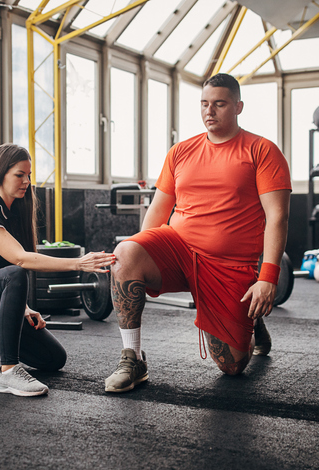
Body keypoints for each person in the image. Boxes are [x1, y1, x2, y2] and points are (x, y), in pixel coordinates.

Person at [105, 73, 291, 393]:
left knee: (231, 366)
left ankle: (250, 317)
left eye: (219, 104)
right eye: (204, 104)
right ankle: (132, 357)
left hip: (227, 264)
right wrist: (139, 253)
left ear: (238, 107)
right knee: (125, 252)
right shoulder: (180, 152)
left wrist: (268, 278)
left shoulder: (262, 150)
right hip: (179, 249)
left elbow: (278, 216)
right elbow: (159, 212)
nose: (210, 111)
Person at [0, 143, 115, 397]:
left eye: (29, 175)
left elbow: (2, 269)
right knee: (16, 273)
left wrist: (23, 309)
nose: (26, 181)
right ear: (0, 174)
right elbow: (19, 260)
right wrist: (79, 263)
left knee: (54, 358)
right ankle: (7, 372)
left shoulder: (17, 213)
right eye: (19, 175)